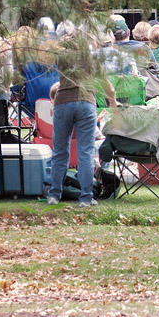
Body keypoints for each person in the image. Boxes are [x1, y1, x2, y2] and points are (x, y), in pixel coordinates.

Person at [46, 29, 116, 208]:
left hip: (62, 102)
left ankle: (54, 195)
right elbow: (107, 86)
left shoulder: (62, 57)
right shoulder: (92, 59)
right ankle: (86, 198)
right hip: (86, 102)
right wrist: (113, 104)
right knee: (85, 152)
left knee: (60, 152)